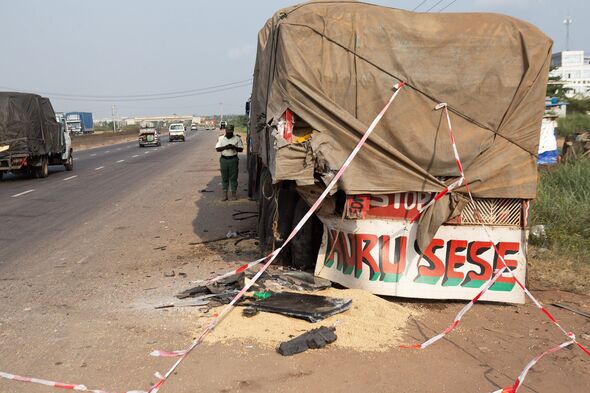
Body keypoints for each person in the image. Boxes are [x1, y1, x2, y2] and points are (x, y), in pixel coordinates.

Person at [215, 124, 243, 201]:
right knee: (224, 177)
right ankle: (225, 195)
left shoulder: (237, 138)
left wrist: (234, 147)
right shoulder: (221, 138)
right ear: (225, 131)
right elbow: (217, 149)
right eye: (228, 132)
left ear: (233, 131)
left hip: (233, 159)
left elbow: (241, 149)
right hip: (224, 160)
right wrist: (225, 147)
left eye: (230, 132)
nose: (229, 134)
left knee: (233, 177)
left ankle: (233, 194)